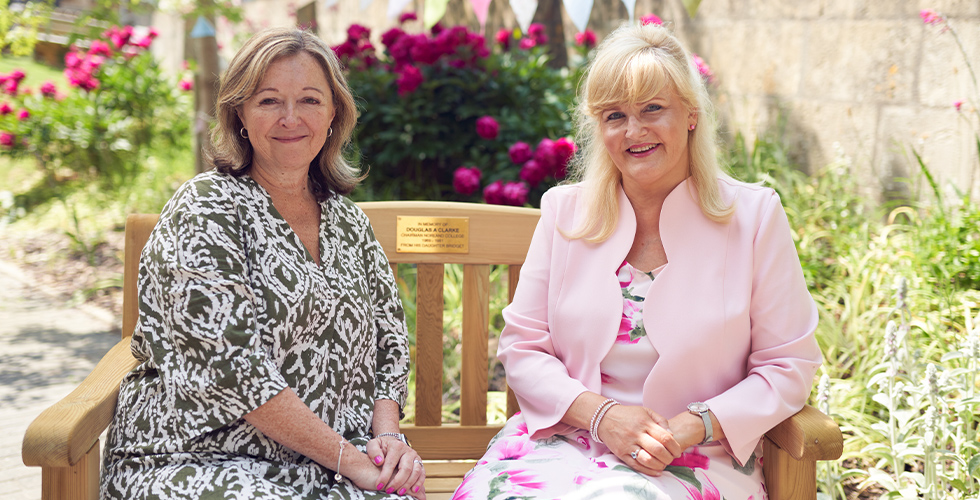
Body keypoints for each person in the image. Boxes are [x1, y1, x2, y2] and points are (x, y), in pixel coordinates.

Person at [453, 22, 822, 500]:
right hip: (565, 441)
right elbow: (524, 348)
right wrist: (601, 416)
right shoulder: (566, 212)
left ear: (691, 114)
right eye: (614, 115)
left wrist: (690, 427)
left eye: (653, 109)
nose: (634, 131)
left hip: (695, 454)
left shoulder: (753, 216)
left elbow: (788, 364)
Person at [101, 27, 427, 500]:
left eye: (310, 100)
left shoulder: (347, 220)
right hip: (201, 459)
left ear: (334, 113)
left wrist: (388, 441)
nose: (290, 118)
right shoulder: (206, 208)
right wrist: (354, 463)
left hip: (331, 463)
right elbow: (231, 370)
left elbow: (390, 342)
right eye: (269, 100)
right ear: (240, 114)